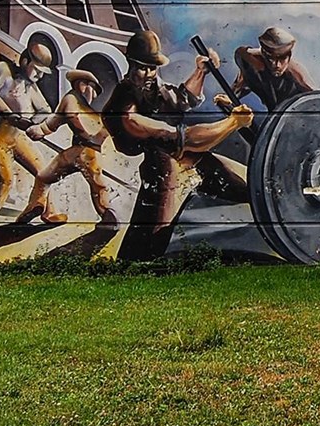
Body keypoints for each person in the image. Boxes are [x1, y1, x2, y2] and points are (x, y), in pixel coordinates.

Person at [102, 30, 254, 260]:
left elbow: (181, 99)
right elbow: (181, 137)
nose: (149, 74)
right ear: (131, 66)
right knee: (154, 219)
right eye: (143, 68)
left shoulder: (152, 89)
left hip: (179, 157)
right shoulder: (125, 109)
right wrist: (232, 123)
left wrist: (200, 73)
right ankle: (137, 263)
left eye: (153, 67)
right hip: (160, 167)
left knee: (240, 186)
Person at [0, 42, 65, 230]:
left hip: (20, 136)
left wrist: (36, 125)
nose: (39, 76)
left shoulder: (31, 87)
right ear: (24, 61)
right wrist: (8, 114)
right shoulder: (4, 72)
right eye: (37, 70)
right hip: (1, 136)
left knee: (45, 172)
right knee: (4, 181)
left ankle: (47, 211)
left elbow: (44, 110)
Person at [23, 70, 116, 227]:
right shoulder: (72, 98)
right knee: (96, 184)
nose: (92, 94)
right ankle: (38, 207)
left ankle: (108, 216)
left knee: (45, 178)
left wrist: (41, 130)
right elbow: (57, 121)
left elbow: (54, 123)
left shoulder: (90, 111)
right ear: (81, 84)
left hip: (82, 153)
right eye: (90, 87)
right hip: (82, 152)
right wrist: (39, 130)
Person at [229, 26, 314, 112]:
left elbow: (318, 100)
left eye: (282, 59)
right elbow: (241, 83)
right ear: (263, 55)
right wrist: (229, 98)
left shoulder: (298, 76)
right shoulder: (249, 61)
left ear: (289, 57)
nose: (277, 65)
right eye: (271, 59)